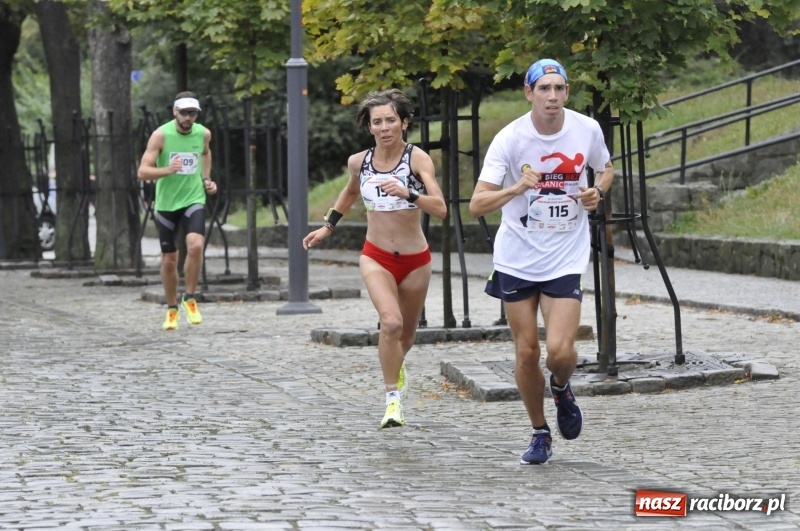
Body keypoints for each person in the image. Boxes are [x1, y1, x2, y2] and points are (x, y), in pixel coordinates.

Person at [469, 59, 614, 465]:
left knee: (561, 352)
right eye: (544, 89)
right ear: (529, 93)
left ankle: (562, 387)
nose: (552, 96)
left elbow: (606, 170)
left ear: (567, 92)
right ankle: (539, 432)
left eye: (559, 88)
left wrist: (596, 193)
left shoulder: (586, 128)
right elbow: (477, 205)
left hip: (565, 254)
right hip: (516, 257)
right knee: (527, 352)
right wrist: (516, 187)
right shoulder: (510, 138)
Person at [303, 89, 447, 429]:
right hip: (376, 256)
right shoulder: (359, 162)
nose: (384, 128)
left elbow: (440, 209)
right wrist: (328, 226)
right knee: (391, 323)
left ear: (404, 122)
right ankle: (392, 400)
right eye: (377, 122)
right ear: (369, 127)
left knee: (406, 337)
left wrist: (410, 192)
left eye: (391, 120)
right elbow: (351, 191)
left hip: (415, 260)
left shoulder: (417, 160)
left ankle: (396, 365)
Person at [138, 92, 217, 330]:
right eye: (183, 113)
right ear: (174, 111)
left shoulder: (203, 133)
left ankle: (190, 298)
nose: (188, 118)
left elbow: (205, 153)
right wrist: (167, 170)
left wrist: (206, 179)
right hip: (166, 204)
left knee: (195, 245)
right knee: (169, 260)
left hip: (193, 199)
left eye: (192, 113)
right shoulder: (160, 135)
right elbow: (143, 171)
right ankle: (172, 308)